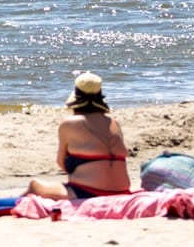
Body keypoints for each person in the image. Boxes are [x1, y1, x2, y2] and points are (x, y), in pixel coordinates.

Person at [25, 73, 131, 201]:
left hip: (88, 192)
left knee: (34, 185)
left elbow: (61, 162)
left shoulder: (69, 123)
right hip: (122, 191)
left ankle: (5, 204)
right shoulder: (113, 123)